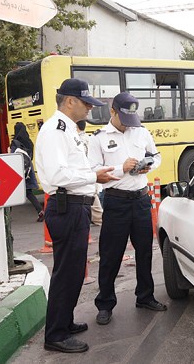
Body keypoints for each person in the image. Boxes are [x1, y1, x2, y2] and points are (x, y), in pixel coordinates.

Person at [35, 78, 119, 354]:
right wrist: (92, 175)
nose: (89, 109)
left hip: (76, 205)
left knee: (73, 272)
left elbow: (77, 171)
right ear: (70, 101)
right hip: (66, 207)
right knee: (67, 273)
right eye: (86, 103)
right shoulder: (55, 131)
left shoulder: (69, 130)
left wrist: (96, 181)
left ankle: (65, 321)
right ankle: (56, 334)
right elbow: (58, 175)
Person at [88, 92, 166, 326]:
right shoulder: (98, 138)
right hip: (116, 201)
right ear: (112, 112)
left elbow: (156, 155)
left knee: (145, 251)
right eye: (124, 118)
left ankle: (145, 296)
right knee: (111, 255)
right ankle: (105, 304)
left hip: (141, 199)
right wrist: (121, 168)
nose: (129, 123)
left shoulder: (141, 131)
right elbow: (93, 170)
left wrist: (147, 166)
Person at [10, 122, 44, 221]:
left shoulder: (15, 143)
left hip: (18, 172)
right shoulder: (29, 142)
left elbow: (13, 158)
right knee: (28, 192)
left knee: (11, 193)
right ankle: (40, 211)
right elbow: (30, 157)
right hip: (28, 171)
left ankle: (6, 216)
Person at [76, 120, 103, 226]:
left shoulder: (78, 140)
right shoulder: (89, 138)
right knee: (93, 194)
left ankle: (99, 219)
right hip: (92, 170)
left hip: (86, 172)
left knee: (92, 196)